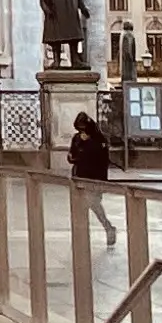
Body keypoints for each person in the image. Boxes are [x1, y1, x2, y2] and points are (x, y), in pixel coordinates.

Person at [66, 109, 115, 261]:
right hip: (79, 176)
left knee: (94, 205)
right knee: (80, 207)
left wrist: (102, 183)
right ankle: (81, 236)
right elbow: (72, 156)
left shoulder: (99, 140)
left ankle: (108, 227)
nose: (81, 132)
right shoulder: (76, 138)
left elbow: (102, 161)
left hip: (94, 178)